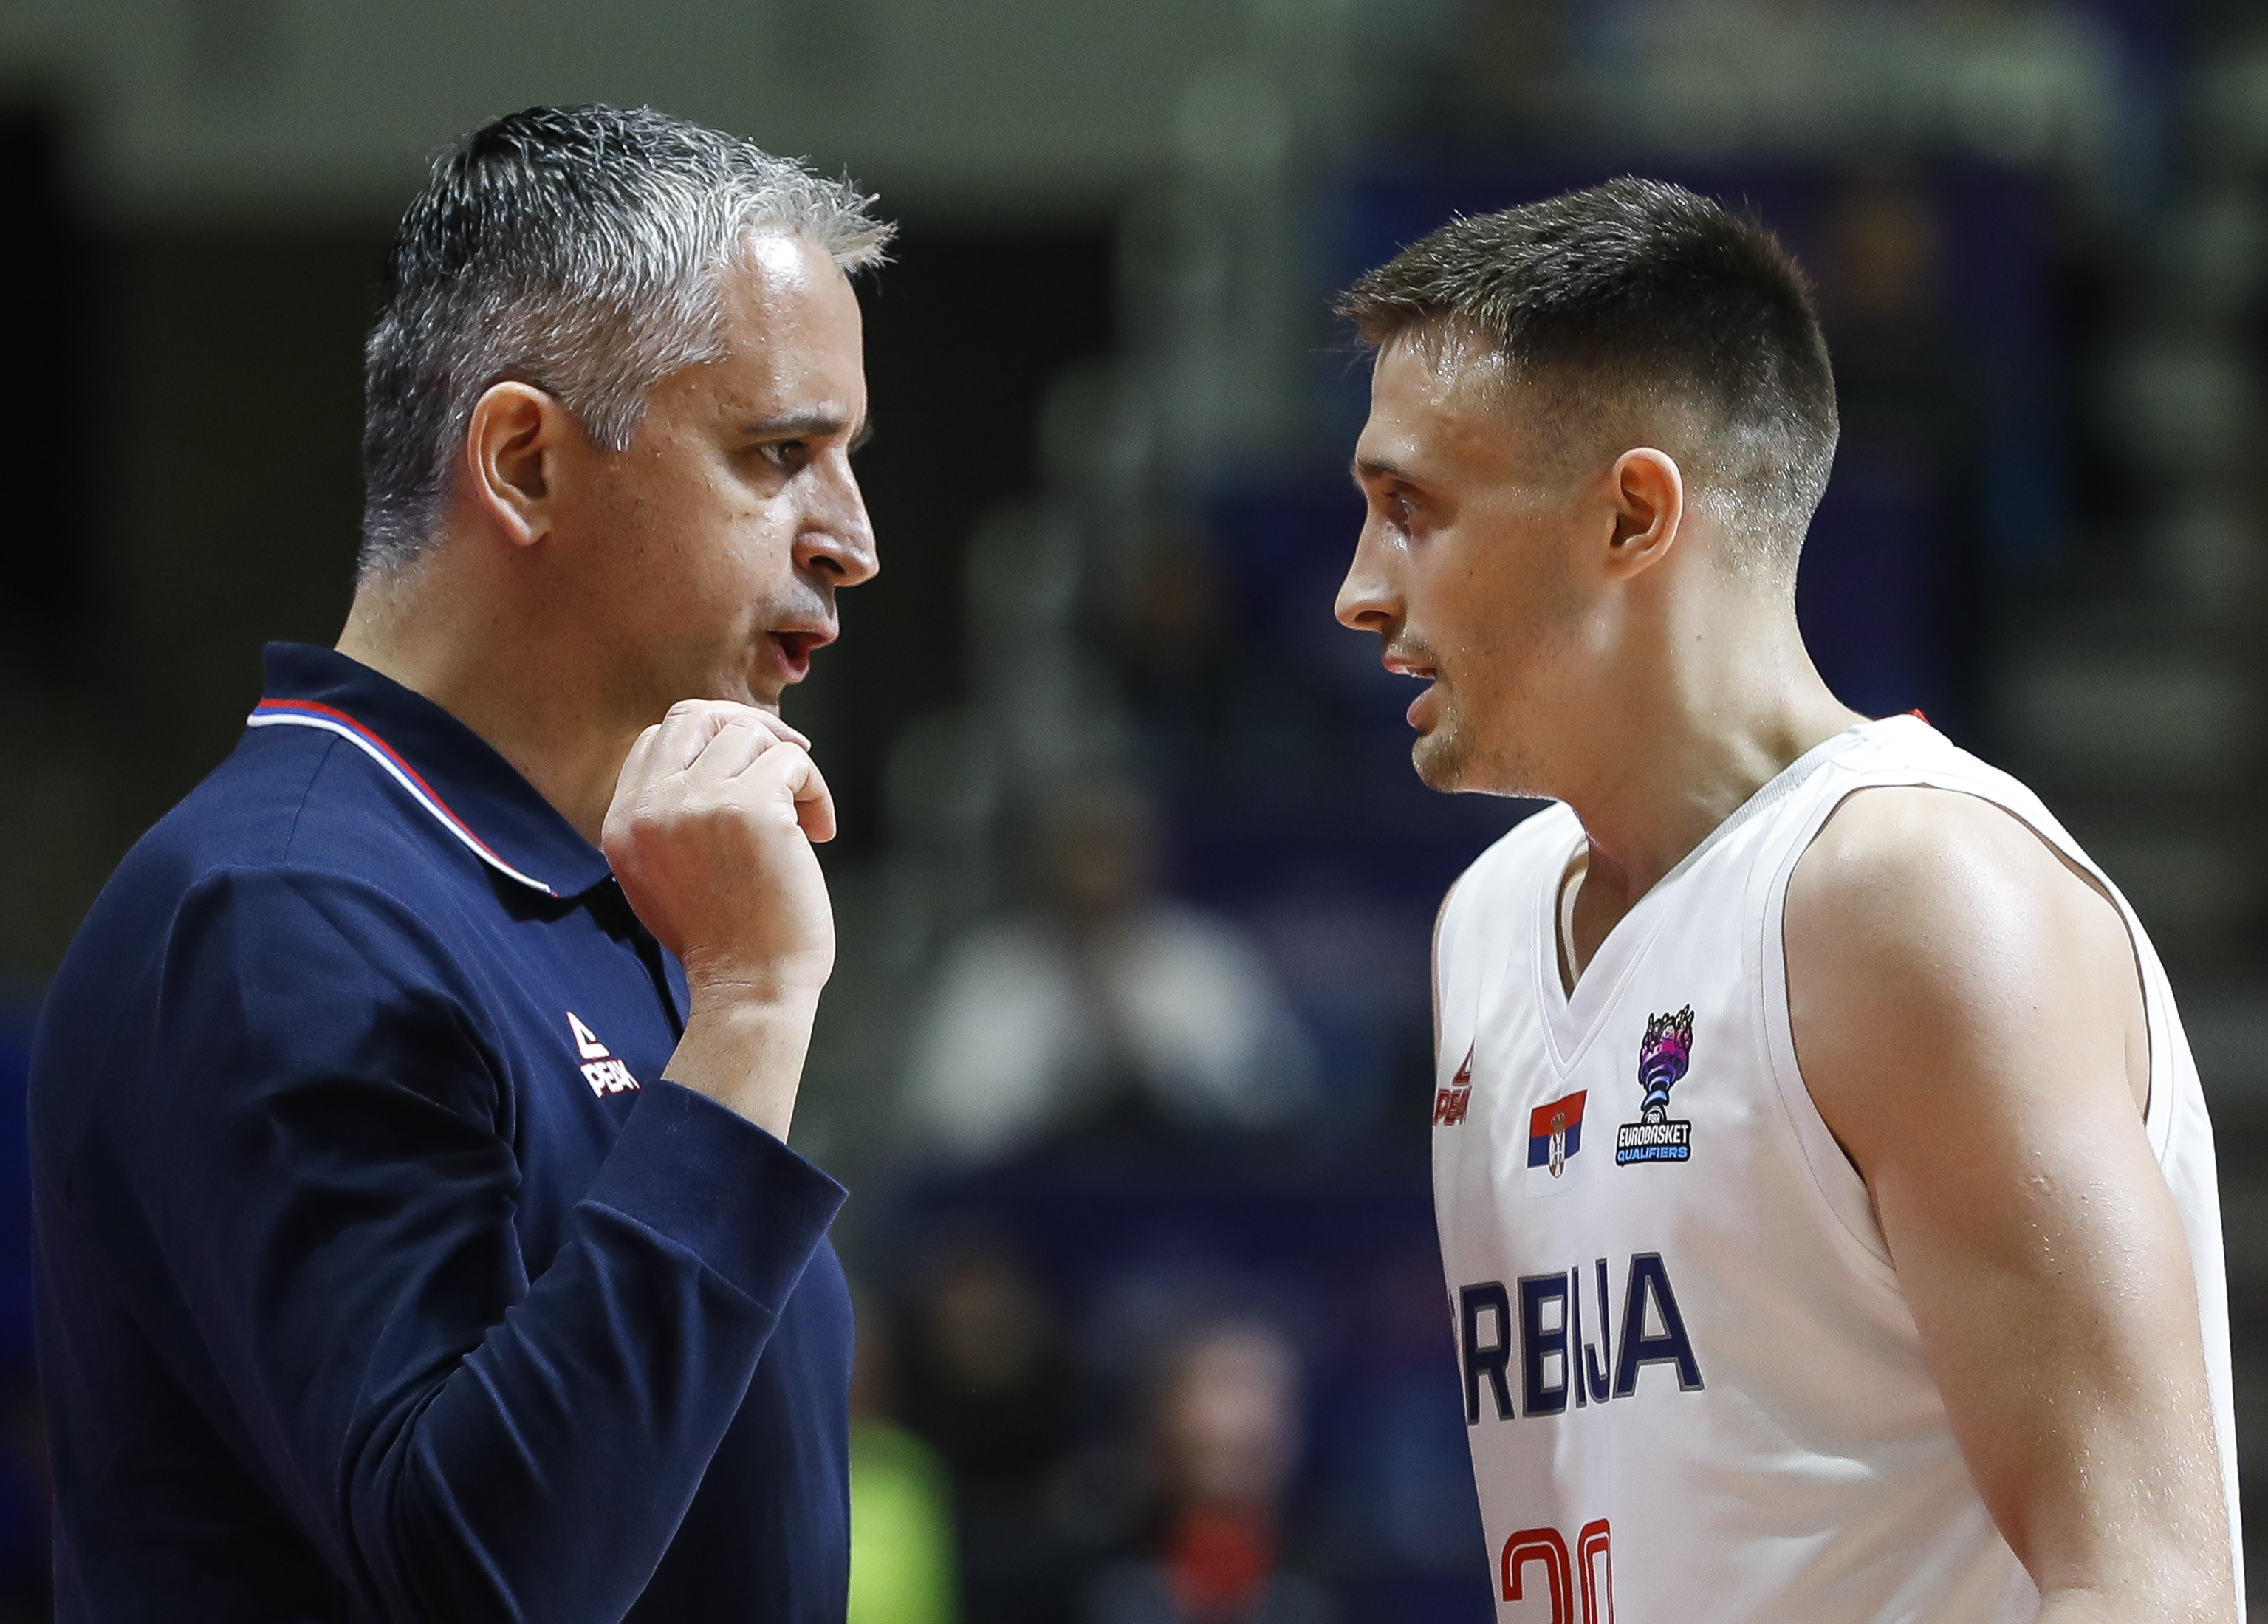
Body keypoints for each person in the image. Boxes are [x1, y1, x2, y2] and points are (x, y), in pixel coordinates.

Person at [1331, 179, 2240, 1623]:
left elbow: (2144, 1579)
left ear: (1633, 513)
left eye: (1410, 510)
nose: (1358, 589)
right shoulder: (1489, 922)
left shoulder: (1909, 896)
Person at [30, 105, 886, 1621]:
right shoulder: (280, 910)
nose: (852, 537)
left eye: (850, 458)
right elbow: (491, 1576)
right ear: (523, 463)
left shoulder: (597, 892)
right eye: (781, 453)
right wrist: (752, 1009)